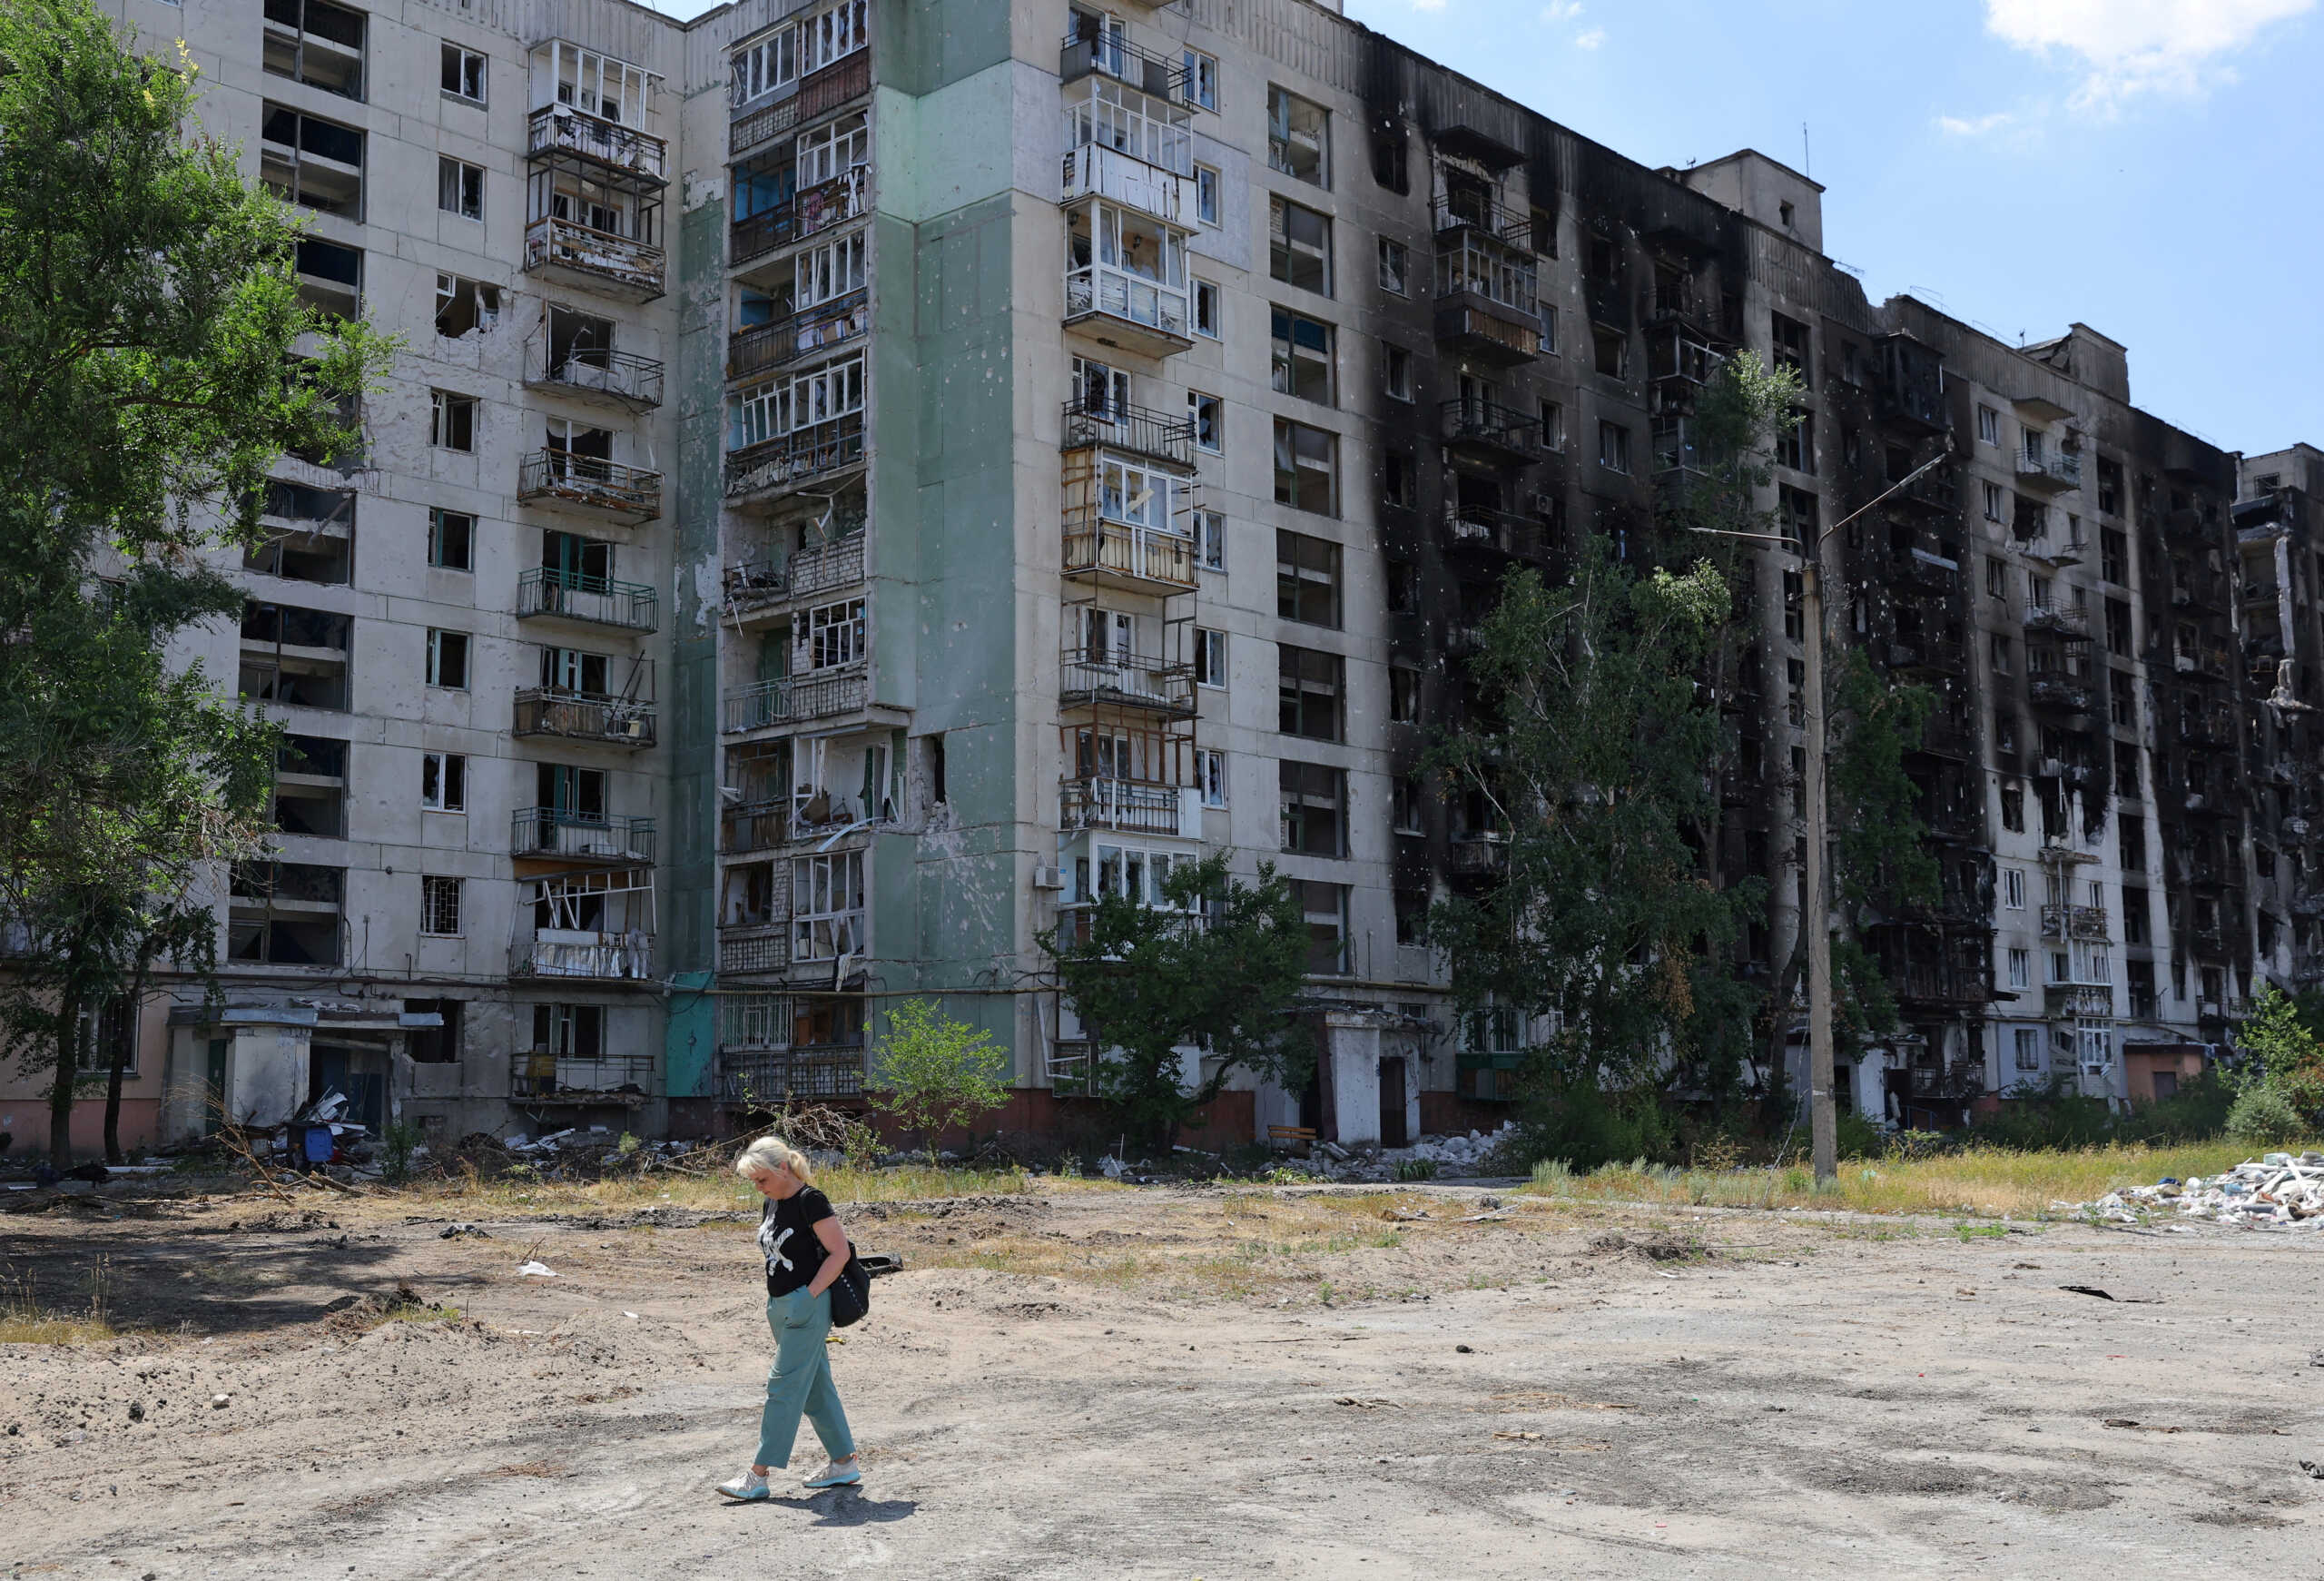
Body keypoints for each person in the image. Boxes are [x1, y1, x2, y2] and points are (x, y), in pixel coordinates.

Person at [716, 1137, 860, 1500]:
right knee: (814, 1387)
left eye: (761, 1179)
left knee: (782, 1387)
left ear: (783, 1169)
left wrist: (807, 1296)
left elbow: (839, 1252)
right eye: (754, 1181)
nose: (757, 1187)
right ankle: (843, 1463)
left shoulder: (811, 1201)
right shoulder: (772, 1201)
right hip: (780, 1307)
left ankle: (758, 1475)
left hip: (806, 1308)